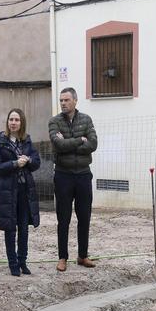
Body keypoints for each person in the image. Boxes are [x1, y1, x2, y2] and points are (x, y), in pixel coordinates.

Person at [47, 88, 97, 272]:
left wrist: (70, 142)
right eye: (61, 100)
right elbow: (58, 144)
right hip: (63, 175)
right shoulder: (54, 121)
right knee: (64, 218)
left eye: (67, 100)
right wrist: (79, 140)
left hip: (83, 174)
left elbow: (93, 144)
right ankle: (62, 257)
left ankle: (83, 255)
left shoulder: (86, 119)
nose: (63, 103)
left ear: (75, 101)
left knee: (84, 217)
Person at [0, 108, 40, 276]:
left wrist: (29, 160)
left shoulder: (26, 140)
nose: (13, 122)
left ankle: (22, 262)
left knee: (24, 229)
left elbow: (37, 162)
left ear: (22, 122)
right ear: (7, 122)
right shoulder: (1, 141)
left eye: (17, 120)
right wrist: (14, 164)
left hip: (24, 191)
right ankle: (13, 264)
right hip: (7, 192)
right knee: (10, 229)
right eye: (11, 119)